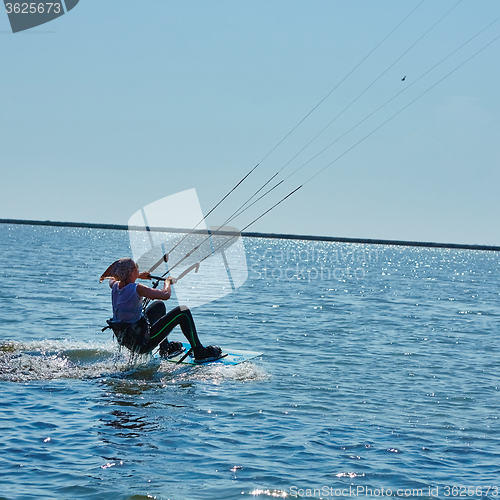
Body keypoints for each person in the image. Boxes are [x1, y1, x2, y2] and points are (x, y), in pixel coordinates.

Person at [100, 258, 222, 362]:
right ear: (130, 273)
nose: (138, 268)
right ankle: (199, 352)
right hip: (142, 343)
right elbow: (165, 294)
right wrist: (167, 282)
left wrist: (138, 275)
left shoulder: (114, 286)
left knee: (159, 306)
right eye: (136, 267)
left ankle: (165, 348)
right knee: (183, 312)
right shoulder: (138, 289)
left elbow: (115, 278)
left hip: (128, 339)